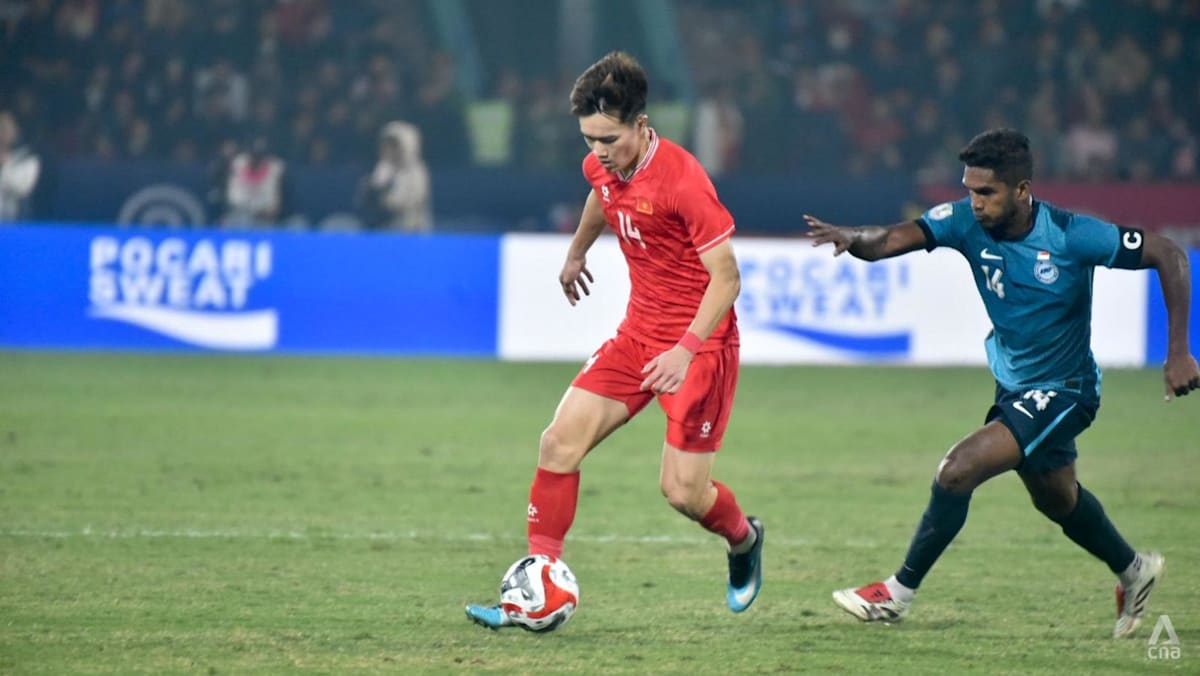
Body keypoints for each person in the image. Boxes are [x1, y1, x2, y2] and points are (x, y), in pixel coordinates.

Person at [807, 128, 1199, 638]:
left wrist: (1177, 351)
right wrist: (852, 237)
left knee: (957, 470)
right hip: (1014, 385)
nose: (975, 202)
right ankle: (1134, 569)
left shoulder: (1070, 234)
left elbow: (1168, 253)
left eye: (986, 192)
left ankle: (896, 594)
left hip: (1067, 389)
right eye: (969, 190)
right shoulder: (964, 222)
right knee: (1057, 498)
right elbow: (889, 240)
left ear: (1022, 190)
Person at [465, 51, 764, 629]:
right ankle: (536, 588)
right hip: (636, 335)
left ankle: (744, 538)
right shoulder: (601, 166)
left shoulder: (683, 182)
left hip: (700, 348)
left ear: (641, 125)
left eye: (609, 138)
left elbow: (728, 279)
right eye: (588, 139)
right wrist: (577, 251)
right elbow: (600, 196)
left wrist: (685, 350)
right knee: (557, 444)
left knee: (683, 492)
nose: (599, 151)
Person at [358, 121, 431, 232]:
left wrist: (385, 197)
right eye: (386, 145)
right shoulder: (382, 168)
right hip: (384, 228)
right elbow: (367, 198)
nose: (388, 150)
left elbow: (410, 200)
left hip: (412, 228)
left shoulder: (416, 171)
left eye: (393, 146)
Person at [222, 136, 287, 228]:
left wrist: (263, 211)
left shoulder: (274, 169)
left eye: (260, 156)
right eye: (254, 155)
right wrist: (251, 208)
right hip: (240, 217)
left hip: (264, 221)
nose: (256, 160)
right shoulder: (239, 164)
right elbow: (233, 198)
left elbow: (273, 209)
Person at [0, 111, 41, 222]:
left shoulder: (27, 158)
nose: (2, 132)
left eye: (5, 127)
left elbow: (22, 189)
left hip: (12, 221)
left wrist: (4, 165)